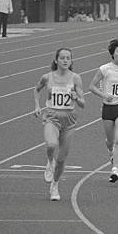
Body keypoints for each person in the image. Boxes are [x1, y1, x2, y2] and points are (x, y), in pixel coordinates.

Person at [34, 48, 86, 201]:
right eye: (62, 58)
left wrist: (76, 98)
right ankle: (50, 161)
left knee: (62, 158)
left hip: (69, 119)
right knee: (51, 145)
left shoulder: (76, 78)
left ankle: (55, 185)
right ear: (56, 60)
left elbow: (83, 104)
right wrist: (37, 106)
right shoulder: (47, 77)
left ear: (71, 61)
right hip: (51, 116)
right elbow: (36, 89)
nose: (65, 60)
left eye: (68, 58)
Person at [88, 39, 118, 183]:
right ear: (113, 53)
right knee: (110, 141)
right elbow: (92, 86)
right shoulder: (104, 69)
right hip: (107, 108)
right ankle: (111, 152)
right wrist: (103, 94)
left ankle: (115, 170)